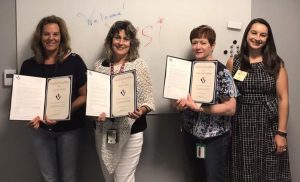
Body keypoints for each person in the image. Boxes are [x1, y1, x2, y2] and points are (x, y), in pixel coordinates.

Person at [20, 15, 87, 182]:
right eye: (46, 34)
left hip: (69, 130)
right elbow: (24, 102)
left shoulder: (74, 61)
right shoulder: (28, 66)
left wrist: (63, 112)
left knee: (69, 178)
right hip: (40, 131)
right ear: (40, 37)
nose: (51, 38)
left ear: (61, 37)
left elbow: (85, 95)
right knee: (48, 178)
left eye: (55, 34)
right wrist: (30, 117)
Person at [226, 18, 292, 181]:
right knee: (242, 169)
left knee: (270, 169)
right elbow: (227, 96)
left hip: (268, 125)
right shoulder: (233, 61)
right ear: (247, 34)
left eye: (263, 35)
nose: (257, 37)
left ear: (268, 39)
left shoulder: (276, 63)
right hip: (239, 125)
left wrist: (281, 133)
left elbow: (283, 99)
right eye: (254, 32)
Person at [93, 20, 155, 182]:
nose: (121, 42)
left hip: (131, 129)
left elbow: (147, 100)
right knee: (108, 177)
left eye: (126, 38)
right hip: (103, 130)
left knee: (124, 178)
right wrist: (95, 113)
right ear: (110, 40)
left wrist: (140, 110)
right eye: (117, 37)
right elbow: (95, 99)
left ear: (132, 42)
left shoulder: (139, 65)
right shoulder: (99, 66)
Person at [175, 25, 237, 182]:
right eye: (194, 42)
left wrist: (201, 109)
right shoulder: (185, 69)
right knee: (196, 177)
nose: (198, 46)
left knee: (214, 177)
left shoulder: (222, 72)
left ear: (212, 45)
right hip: (190, 133)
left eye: (203, 42)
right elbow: (176, 100)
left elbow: (230, 108)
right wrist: (178, 105)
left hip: (215, 137)